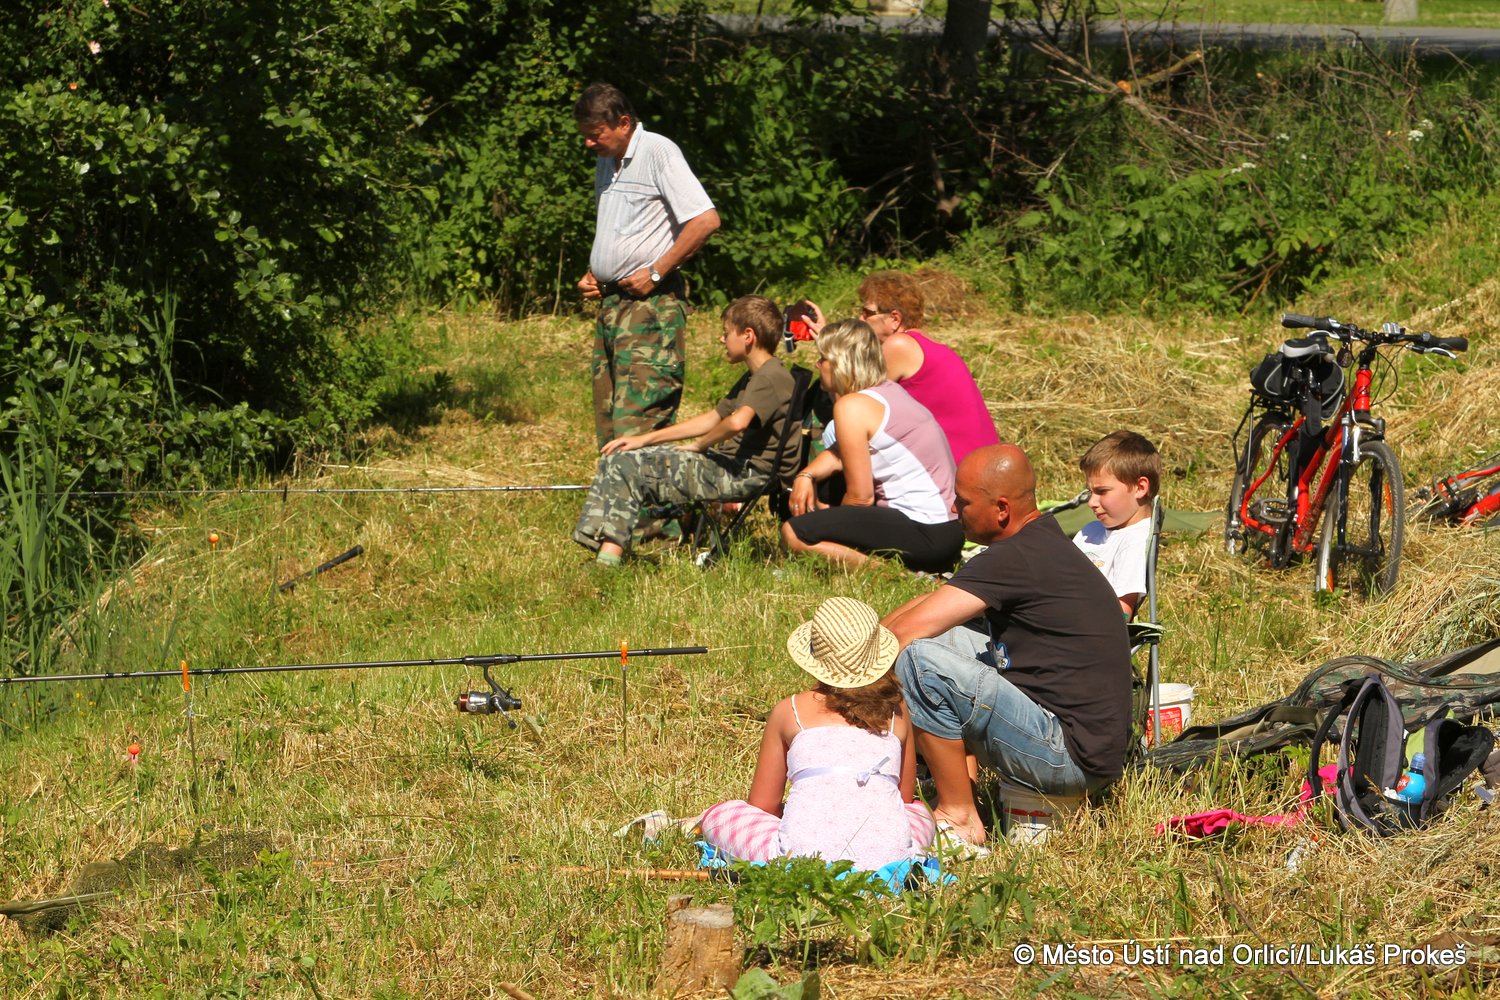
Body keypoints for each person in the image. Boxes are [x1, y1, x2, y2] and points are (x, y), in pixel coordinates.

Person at [882, 444, 1132, 847]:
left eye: (963, 501)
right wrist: (864, 640)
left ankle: (959, 816)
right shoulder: (1037, 542)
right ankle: (959, 783)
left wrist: (838, 688)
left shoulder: (1015, 558)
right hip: (1090, 749)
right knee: (941, 641)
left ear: (1001, 509)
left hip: (1068, 758)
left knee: (918, 661)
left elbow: (906, 632)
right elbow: (930, 606)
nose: (954, 509)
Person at [697, 597, 936, 872]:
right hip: (891, 860)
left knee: (721, 815)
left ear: (815, 656)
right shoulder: (897, 711)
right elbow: (902, 800)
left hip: (799, 862)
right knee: (919, 812)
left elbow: (763, 805)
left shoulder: (790, 710)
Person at [572, 295, 795, 566]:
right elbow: (713, 418)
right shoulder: (756, 376)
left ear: (748, 335)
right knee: (618, 456)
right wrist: (643, 439)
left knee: (628, 466)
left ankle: (607, 561)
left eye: (726, 333)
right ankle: (600, 548)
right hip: (732, 466)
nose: (721, 339)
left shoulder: (770, 377)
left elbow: (737, 422)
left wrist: (700, 445)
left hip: (746, 474)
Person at [574, 83, 722, 449]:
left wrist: (656, 271)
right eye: (585, 135)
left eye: (596, 134)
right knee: (611, 427)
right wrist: (598, 271)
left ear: (624, 123)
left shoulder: (658, 151)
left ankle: (652, 490)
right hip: (612, 305)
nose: (588, 143)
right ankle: (619, 489)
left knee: (640, 427)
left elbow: (705, 220)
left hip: (650, 309)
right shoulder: (606, 161)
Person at [781, 320, 963, 573]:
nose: (817, 365)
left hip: (923, 529)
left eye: (823, 358)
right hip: (948, 530)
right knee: (823, 509)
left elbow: (860, 498)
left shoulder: (851, 406)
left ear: (841, 363)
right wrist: (806, 475)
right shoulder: (888, 391)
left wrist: (832, 525)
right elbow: (840, 454)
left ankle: (900, 577)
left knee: (795, 533)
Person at [798, 272, 998, 463]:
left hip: (956, 466)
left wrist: (830, 350)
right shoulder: (924, 343)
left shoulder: (899, 346)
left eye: (868, 313)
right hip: (977, 462)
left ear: (895, 319)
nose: (861, 318)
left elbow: (851, 407)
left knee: (832, 428)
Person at [1072, 430, 1161, 617]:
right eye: (1090, 492)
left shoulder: (1135, 540)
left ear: (1140, 488)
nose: (1091, 502)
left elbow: (1121, 614)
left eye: (1102, 491)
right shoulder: (1090, 531)